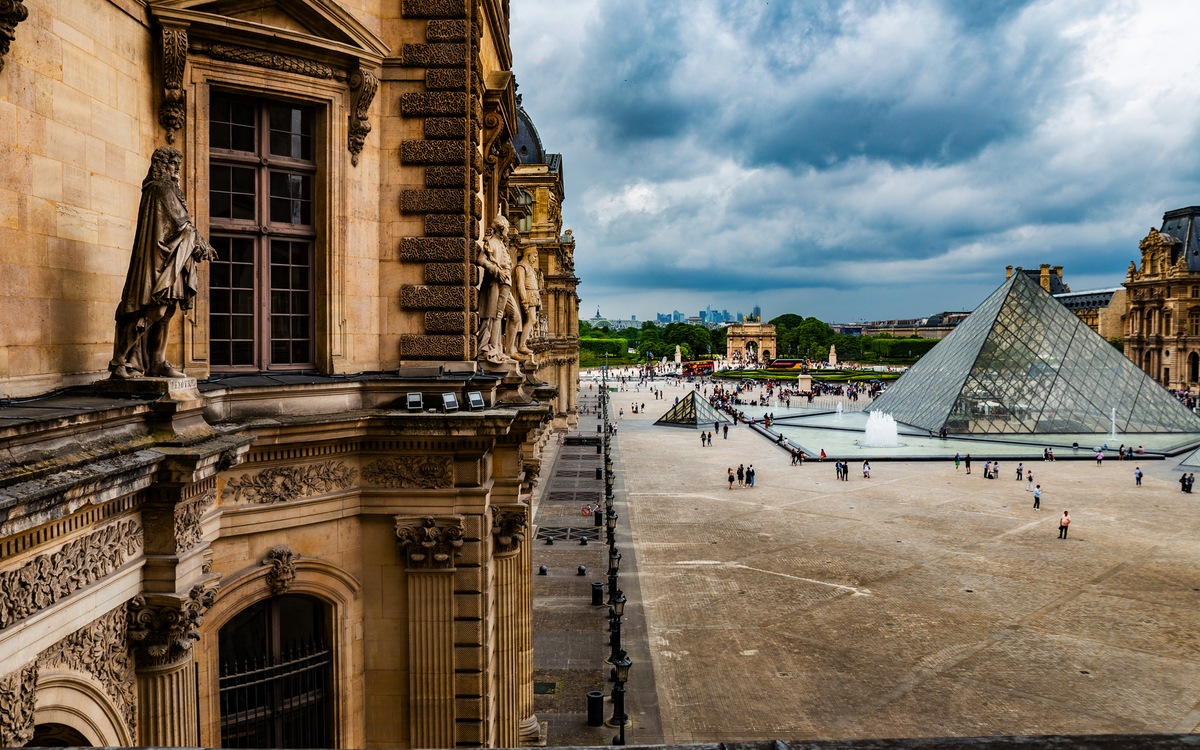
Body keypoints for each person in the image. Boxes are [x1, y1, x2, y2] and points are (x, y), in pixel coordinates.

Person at [110, 146, 217, 379]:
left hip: (173, 259)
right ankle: (119, 360)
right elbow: (181, 223)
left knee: (167, 311)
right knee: (155, 311)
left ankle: (157, 362)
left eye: (178, 165)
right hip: (161, 263)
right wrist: (203, 245)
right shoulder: (161, 188)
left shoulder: (167, 189)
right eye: (173, 165)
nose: (177, 169)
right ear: (162, 165)